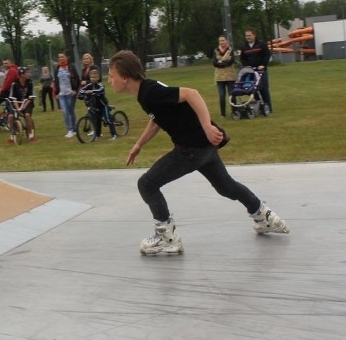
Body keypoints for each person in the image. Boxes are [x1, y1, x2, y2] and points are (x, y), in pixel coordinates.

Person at [107, 50, 289, 256]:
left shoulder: (150, 92)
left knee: (147, 184)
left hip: (192, 148)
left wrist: (207, 127)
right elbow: (158, 117)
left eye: (111, 75)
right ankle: (265, 217)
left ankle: (167, 239)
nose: (109, 79)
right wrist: (139, 144)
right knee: (226, 187)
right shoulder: (147, 92)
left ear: (125, 77)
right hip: (204, 147)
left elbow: (191, 94)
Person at [77, 68, 117, 141]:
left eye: (95, 77)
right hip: (95, 106)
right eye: (92, 77)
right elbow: (82, 90)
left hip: (103, 105)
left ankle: (114, 134)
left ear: (98, 78)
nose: (93, 79)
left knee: (108, 119)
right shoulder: (89, 85)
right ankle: (97, 135)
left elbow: (100, 90)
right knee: (97, 121)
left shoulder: (100, 85)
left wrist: (91, 91)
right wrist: (81, 94)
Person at [240, 27, 273, 113]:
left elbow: (267, 54)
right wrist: (246, 66)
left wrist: (263, 65)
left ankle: (268, 107)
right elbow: (242, 58)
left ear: (254, 35)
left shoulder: (261, 44)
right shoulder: (244, 47)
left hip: (261, 71)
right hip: (251, 71)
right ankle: (258, 106)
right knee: (253, 89)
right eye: (246, 36)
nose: (248, 37)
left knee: (264, 89)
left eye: (249, 35)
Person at [53, 51, 80, 138]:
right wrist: (56, 93)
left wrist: (75, 90)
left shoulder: (71, 67)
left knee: (71, 111)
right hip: (61, 94)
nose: (61, 58)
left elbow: (77, 79)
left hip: (70, 93)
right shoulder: (57, 69)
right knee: (65, 112)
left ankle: (74, 129)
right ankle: (70, 129)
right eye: (59, 57)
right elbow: (56, 82)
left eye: (62, 57)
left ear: (66, 58)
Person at [9, 66, 37, 143]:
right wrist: (18, 108)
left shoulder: (30, 82)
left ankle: (30, 135)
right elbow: (13, 97)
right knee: (10, 116)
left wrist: (23, 107)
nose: (29, 74)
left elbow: (31, 97)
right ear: (21, 74)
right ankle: (11, 135)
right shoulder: (14, 84)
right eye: (27, 73)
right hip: (17, 103)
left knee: (27, 115)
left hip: (27, 102)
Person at [212, 35, 237, 118]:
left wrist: (221, 62)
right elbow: (214, 63)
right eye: (220, 41)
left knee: (232, 94)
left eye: (223, 40)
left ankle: (234, 111)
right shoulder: (216, 51)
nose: (222, 42)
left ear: (226, 41)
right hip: (219, 77)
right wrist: (223, 62)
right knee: (222, 96)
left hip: (230, 76)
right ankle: (223, 114)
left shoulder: (231, 50)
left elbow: (231, 61)